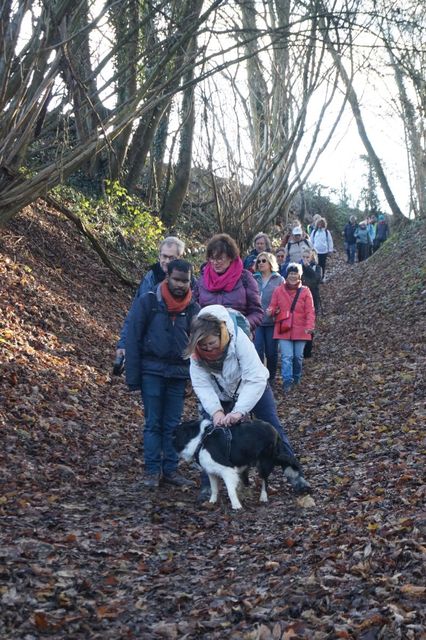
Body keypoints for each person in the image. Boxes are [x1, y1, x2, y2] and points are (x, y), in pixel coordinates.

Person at [185, 305, 311, 499]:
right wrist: (217, 411)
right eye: (204, 346)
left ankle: (295, 474)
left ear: (222, 335)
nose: (209, 349)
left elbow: (255, 377)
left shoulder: (239, 341)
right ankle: (208, 486)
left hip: (253, 387)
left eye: (212, 343)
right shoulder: (196, 356)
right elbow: (202, 386)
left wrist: (239, 411)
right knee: (210, 435)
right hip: (219, 394)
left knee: (273, 428)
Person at [125, 259, 200, 487]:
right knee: (153, 423)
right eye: (176, 279)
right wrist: (133, 376)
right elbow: (133, 337)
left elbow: (197, 347)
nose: (180, 285)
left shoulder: (193, 309)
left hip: (178, 374)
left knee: (172, 425)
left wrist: (192, 379)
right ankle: (151, 471)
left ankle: (170, 470)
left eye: (185, 281)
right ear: (167, 276)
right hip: (152, 371)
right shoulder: (149, 301)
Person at [116, 236, 186, 359]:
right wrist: (123, 344)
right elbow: (135, 313)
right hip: (149, 350)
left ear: (180, 258)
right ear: (159, 256)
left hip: (177, 355)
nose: (167, 261)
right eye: (164, 256)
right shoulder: (150, 278)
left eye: (172, 258)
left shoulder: (188, 283)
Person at [194, 233, 263, 333]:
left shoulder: (245, 278)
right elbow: (192, 309)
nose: (215, 262)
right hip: (207, 338)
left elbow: (257, 312)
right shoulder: (202, 279)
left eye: (220, 258)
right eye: (212, 258)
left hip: (238, 336)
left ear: (231, 257)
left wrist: (241, 327)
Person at [267, 263, 315, 392]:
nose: (293, 276)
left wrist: (310, 326)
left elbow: (310, 311)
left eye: (295, 273)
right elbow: (272, 306)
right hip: (284, 328)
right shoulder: (279, 290)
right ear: (286, 275)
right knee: (286, 357)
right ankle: (287, 381)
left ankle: (297, 377)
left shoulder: (305, 291)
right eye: (290, 273)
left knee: (298, 357)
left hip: (301, 328)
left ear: (299, 275)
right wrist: (271, 311)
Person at [253, 252, 284, 385]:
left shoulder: (278, 279)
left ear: (270, 263)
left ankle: (271, 377)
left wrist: (277, 310)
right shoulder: (254, 279)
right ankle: (261, 378)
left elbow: (284, 299)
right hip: (257, 321)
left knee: (271, 352)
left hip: (272, 321)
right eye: (258, 261)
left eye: (263, 261)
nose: (260, 263)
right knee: (257, 350)